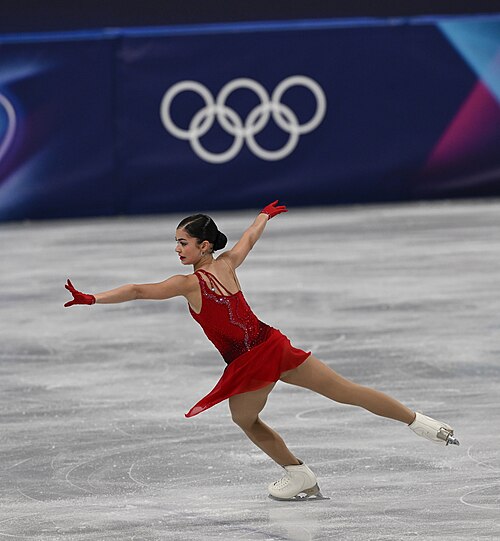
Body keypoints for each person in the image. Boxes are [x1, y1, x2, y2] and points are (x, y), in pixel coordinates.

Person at [64, 200, 459, 501]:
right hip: (274, 344)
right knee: (346, 391)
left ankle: (299, 475)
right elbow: (248, 237)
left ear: (203, 245)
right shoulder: (228, 264)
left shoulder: (190, 283)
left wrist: (92, 299)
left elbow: (136, 290)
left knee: (245, 419)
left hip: (251, 362)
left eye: (183, 243)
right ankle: (425, 425)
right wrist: (264, 216)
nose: (177, 249)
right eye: (175, 243)